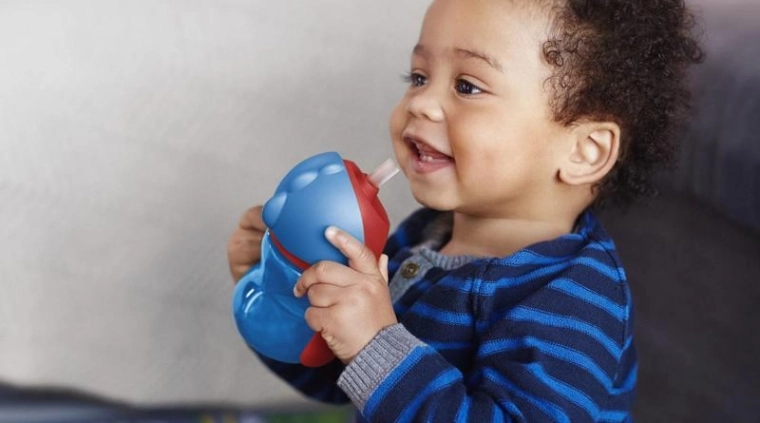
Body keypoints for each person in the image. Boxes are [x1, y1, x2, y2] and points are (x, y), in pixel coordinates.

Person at [227, 0, 703, 421]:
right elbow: (351, 381)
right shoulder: (421, 237)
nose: (421, 103)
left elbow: (380, 365)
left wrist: (374, 344)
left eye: (468, 86)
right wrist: (285, 300)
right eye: (418, 77)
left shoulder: (573, 299)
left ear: (584, 151)